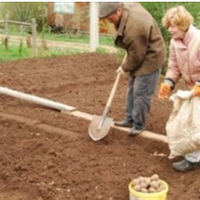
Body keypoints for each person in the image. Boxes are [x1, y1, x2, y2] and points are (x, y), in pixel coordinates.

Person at [99, 3, 166, 135]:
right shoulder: (126, 9)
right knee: (132, 88)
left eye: (109, 17)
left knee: (140, 92)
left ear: (119, 10)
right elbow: (135, 50)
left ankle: (139, 124)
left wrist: (124, 68)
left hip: (151, 56)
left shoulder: (134, 27)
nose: (108, 20)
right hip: (141, 49)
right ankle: (129, 119)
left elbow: (137, 55)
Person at [158, 5, 200, 172]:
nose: (170, 29)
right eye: (168, 25)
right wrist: (168, 82)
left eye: (173, 26)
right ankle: (193, 156)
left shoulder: (198, 39)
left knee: (196, 124)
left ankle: (192, 159)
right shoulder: (175, 42)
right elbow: (174, 66)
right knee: (193, 123)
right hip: (193, 89)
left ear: (183, 25)